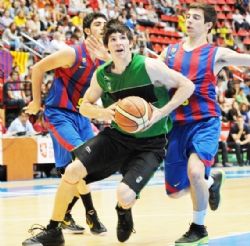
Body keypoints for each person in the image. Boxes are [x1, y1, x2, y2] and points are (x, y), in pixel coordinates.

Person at [22, 19, 195, 246]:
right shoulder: (102, 75)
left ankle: (123, 210)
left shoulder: (149, 66)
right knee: (72, 171)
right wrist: (103, 112)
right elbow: (84, 105)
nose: (118, 42)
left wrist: (161, 112)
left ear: (131, 42)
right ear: (107, 46)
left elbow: (187, 86)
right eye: (112, 39)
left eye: (122, 37)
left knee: (124, 195)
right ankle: (54, 230)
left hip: (150, 144)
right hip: (117, 137)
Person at [160, 3, 250, 245]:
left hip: (206, 122)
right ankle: (212, 182)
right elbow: (153, 77)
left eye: (196, 18)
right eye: (188, 16)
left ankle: (198, 228)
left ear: (208, 25)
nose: (189, 21)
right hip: (177, 125)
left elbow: (246, 59)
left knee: (195, 172)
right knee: (176, 192)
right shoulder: (168, 52)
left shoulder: (216, 53)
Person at [24, 12, 110, 237]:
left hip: (81, 116)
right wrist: (36, 101)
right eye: (98, 24)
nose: (104, 27)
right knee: (82, 159)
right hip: (59, 114)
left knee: (70, 169)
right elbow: (37, 68)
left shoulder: (105, 60)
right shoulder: (72, 53)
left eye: (106, 24)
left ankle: (65, 214)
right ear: (87, 31)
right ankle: (92, 214)